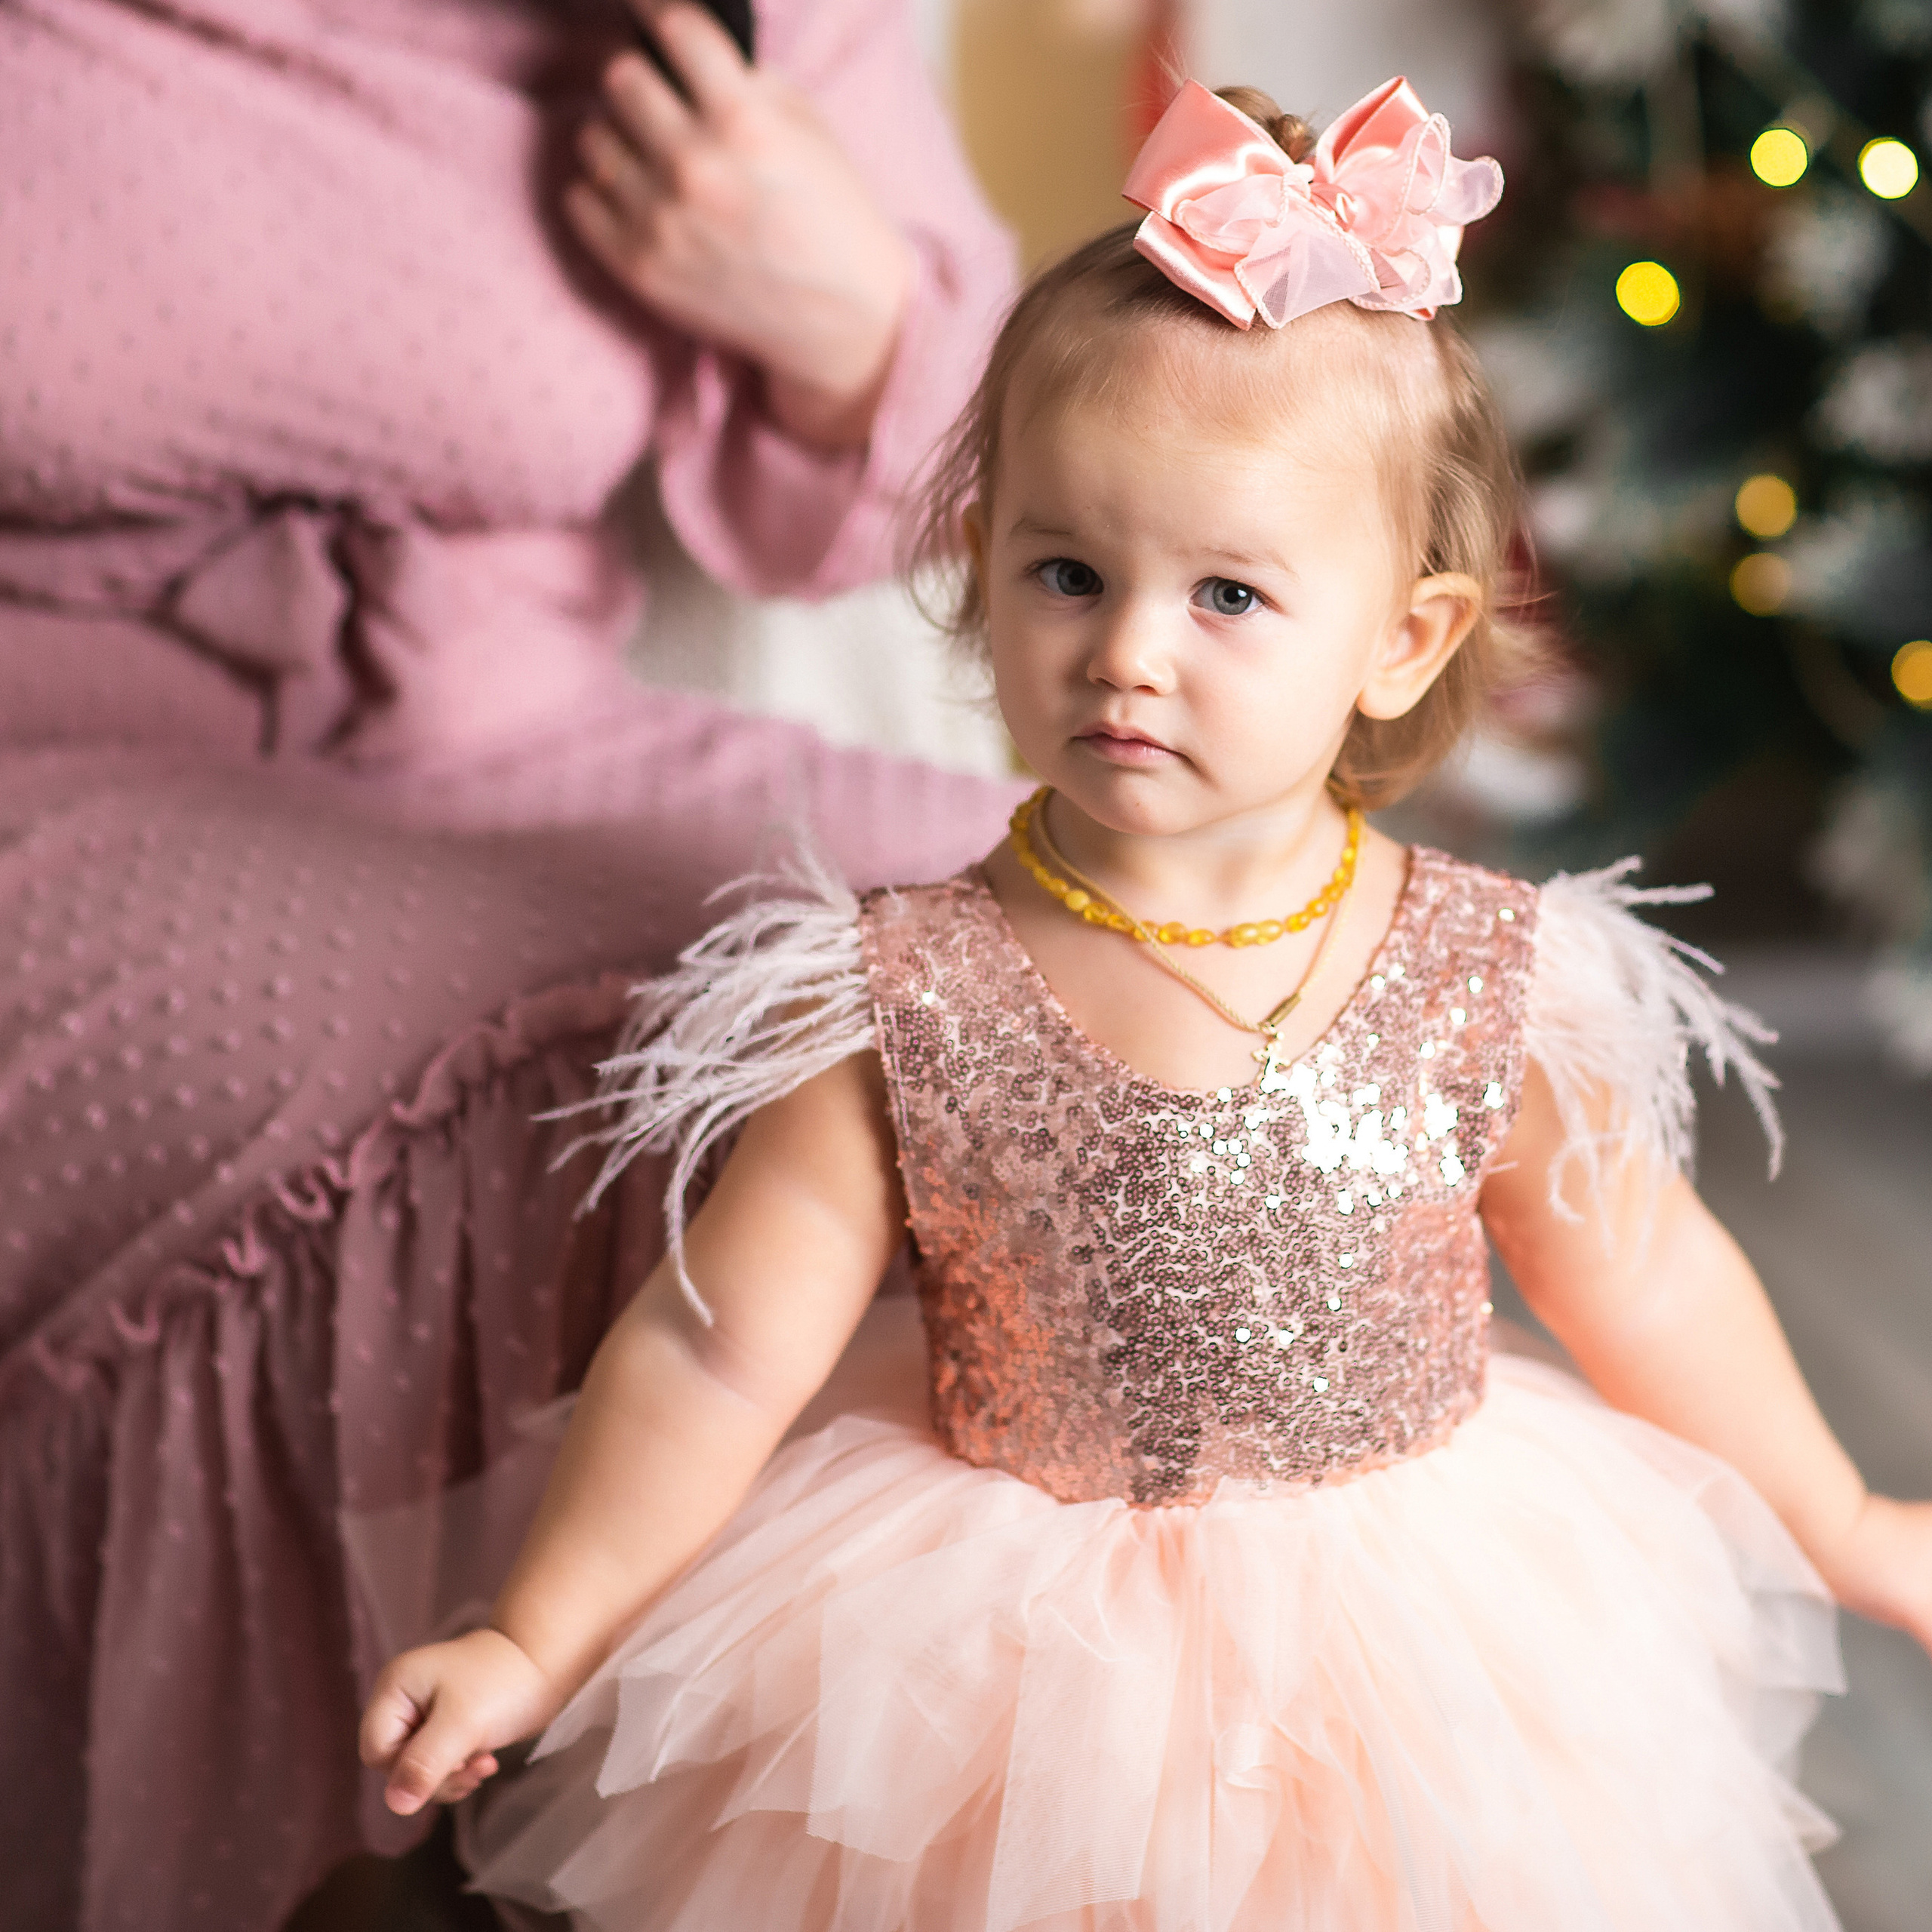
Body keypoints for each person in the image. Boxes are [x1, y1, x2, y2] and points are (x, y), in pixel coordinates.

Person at [360, 78, 1932, 1929]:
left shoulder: (1477, 972)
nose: (1123, 649)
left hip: (1412, 1649)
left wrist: (1836, 1519)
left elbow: (1641, 1269)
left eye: (1228, 595)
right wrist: (536, 1635)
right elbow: (713, 1348)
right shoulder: (905, 992)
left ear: (1400, 638)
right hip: (993, 1668)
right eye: (1064, 571)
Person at [0, 3, 1020, 1928]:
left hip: (531, 728)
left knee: (1048, 984)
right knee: (544, 1117)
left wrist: (854, 314)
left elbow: (1018, 457)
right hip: (62, 765)